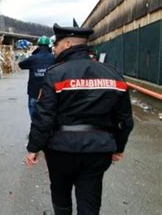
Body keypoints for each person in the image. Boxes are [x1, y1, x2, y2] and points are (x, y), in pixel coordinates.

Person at [25, 23, 134, 215]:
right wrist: (118, 147)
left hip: (61, 150)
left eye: (56, 44)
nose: (54, 49)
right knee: (90, 199)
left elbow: (44, 117)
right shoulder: (113, 74)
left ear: (67, 44)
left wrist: (34, 148)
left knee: (60, 194)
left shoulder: (56, 74)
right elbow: (125, 119)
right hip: (98, 150)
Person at [18, 36, 55, 120]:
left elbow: (21, 65)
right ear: (49, 46)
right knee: (49, 115)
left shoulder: (33, 58)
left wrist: (33, 54)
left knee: (34, 115)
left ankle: (35, 129)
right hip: (49, 93)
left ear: (38, 45)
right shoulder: (54, 58)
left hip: (34, 92)